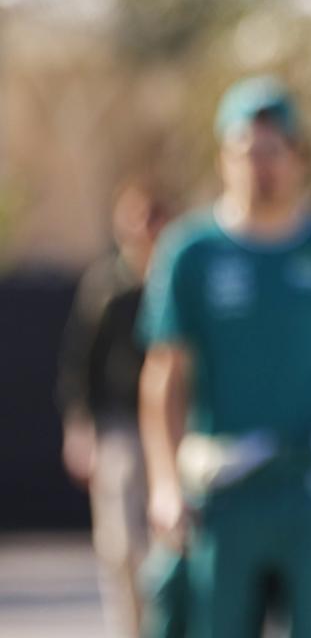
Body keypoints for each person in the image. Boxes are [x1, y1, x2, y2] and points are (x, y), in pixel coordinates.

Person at [136, 77, 311, 637]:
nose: (261, 166)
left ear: (300, 159)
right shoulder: (191, 253)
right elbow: (164, 377)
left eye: (275, 151)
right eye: (247, 151)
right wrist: (165, 485)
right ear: (225, 157)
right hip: (223, 491)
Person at [57, 178, 172, 636]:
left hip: (173, 424)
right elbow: (78, 362)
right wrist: (79, 426)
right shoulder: (106, 286)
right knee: (122, 541)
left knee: (173, 537)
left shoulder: (179, 279)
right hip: (121, 426)